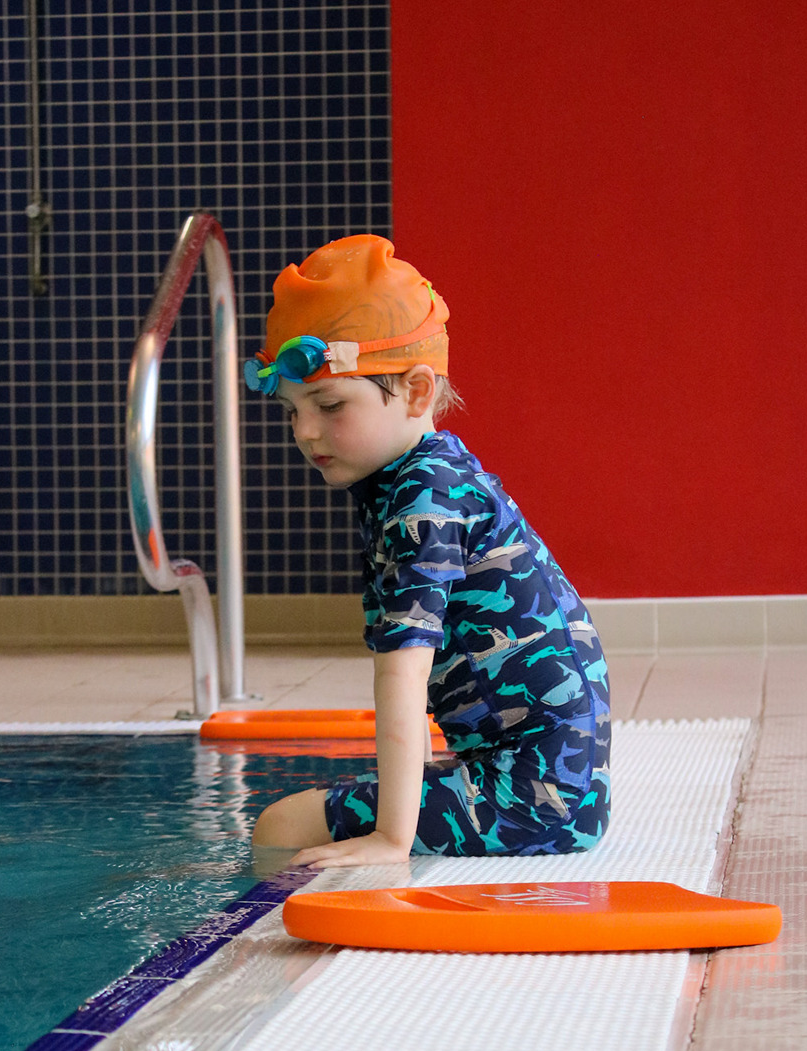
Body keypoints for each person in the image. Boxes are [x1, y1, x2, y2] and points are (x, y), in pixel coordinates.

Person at [246, 234, 610, 870]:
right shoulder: (422, 475)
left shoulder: (424, 499)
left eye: (328, 405)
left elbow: (404, 671)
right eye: (292, 410)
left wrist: (390, 840)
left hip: (535, 797)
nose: (305, 431)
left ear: (417, 392)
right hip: (551, 781)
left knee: (281, 824)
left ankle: (284, 954)